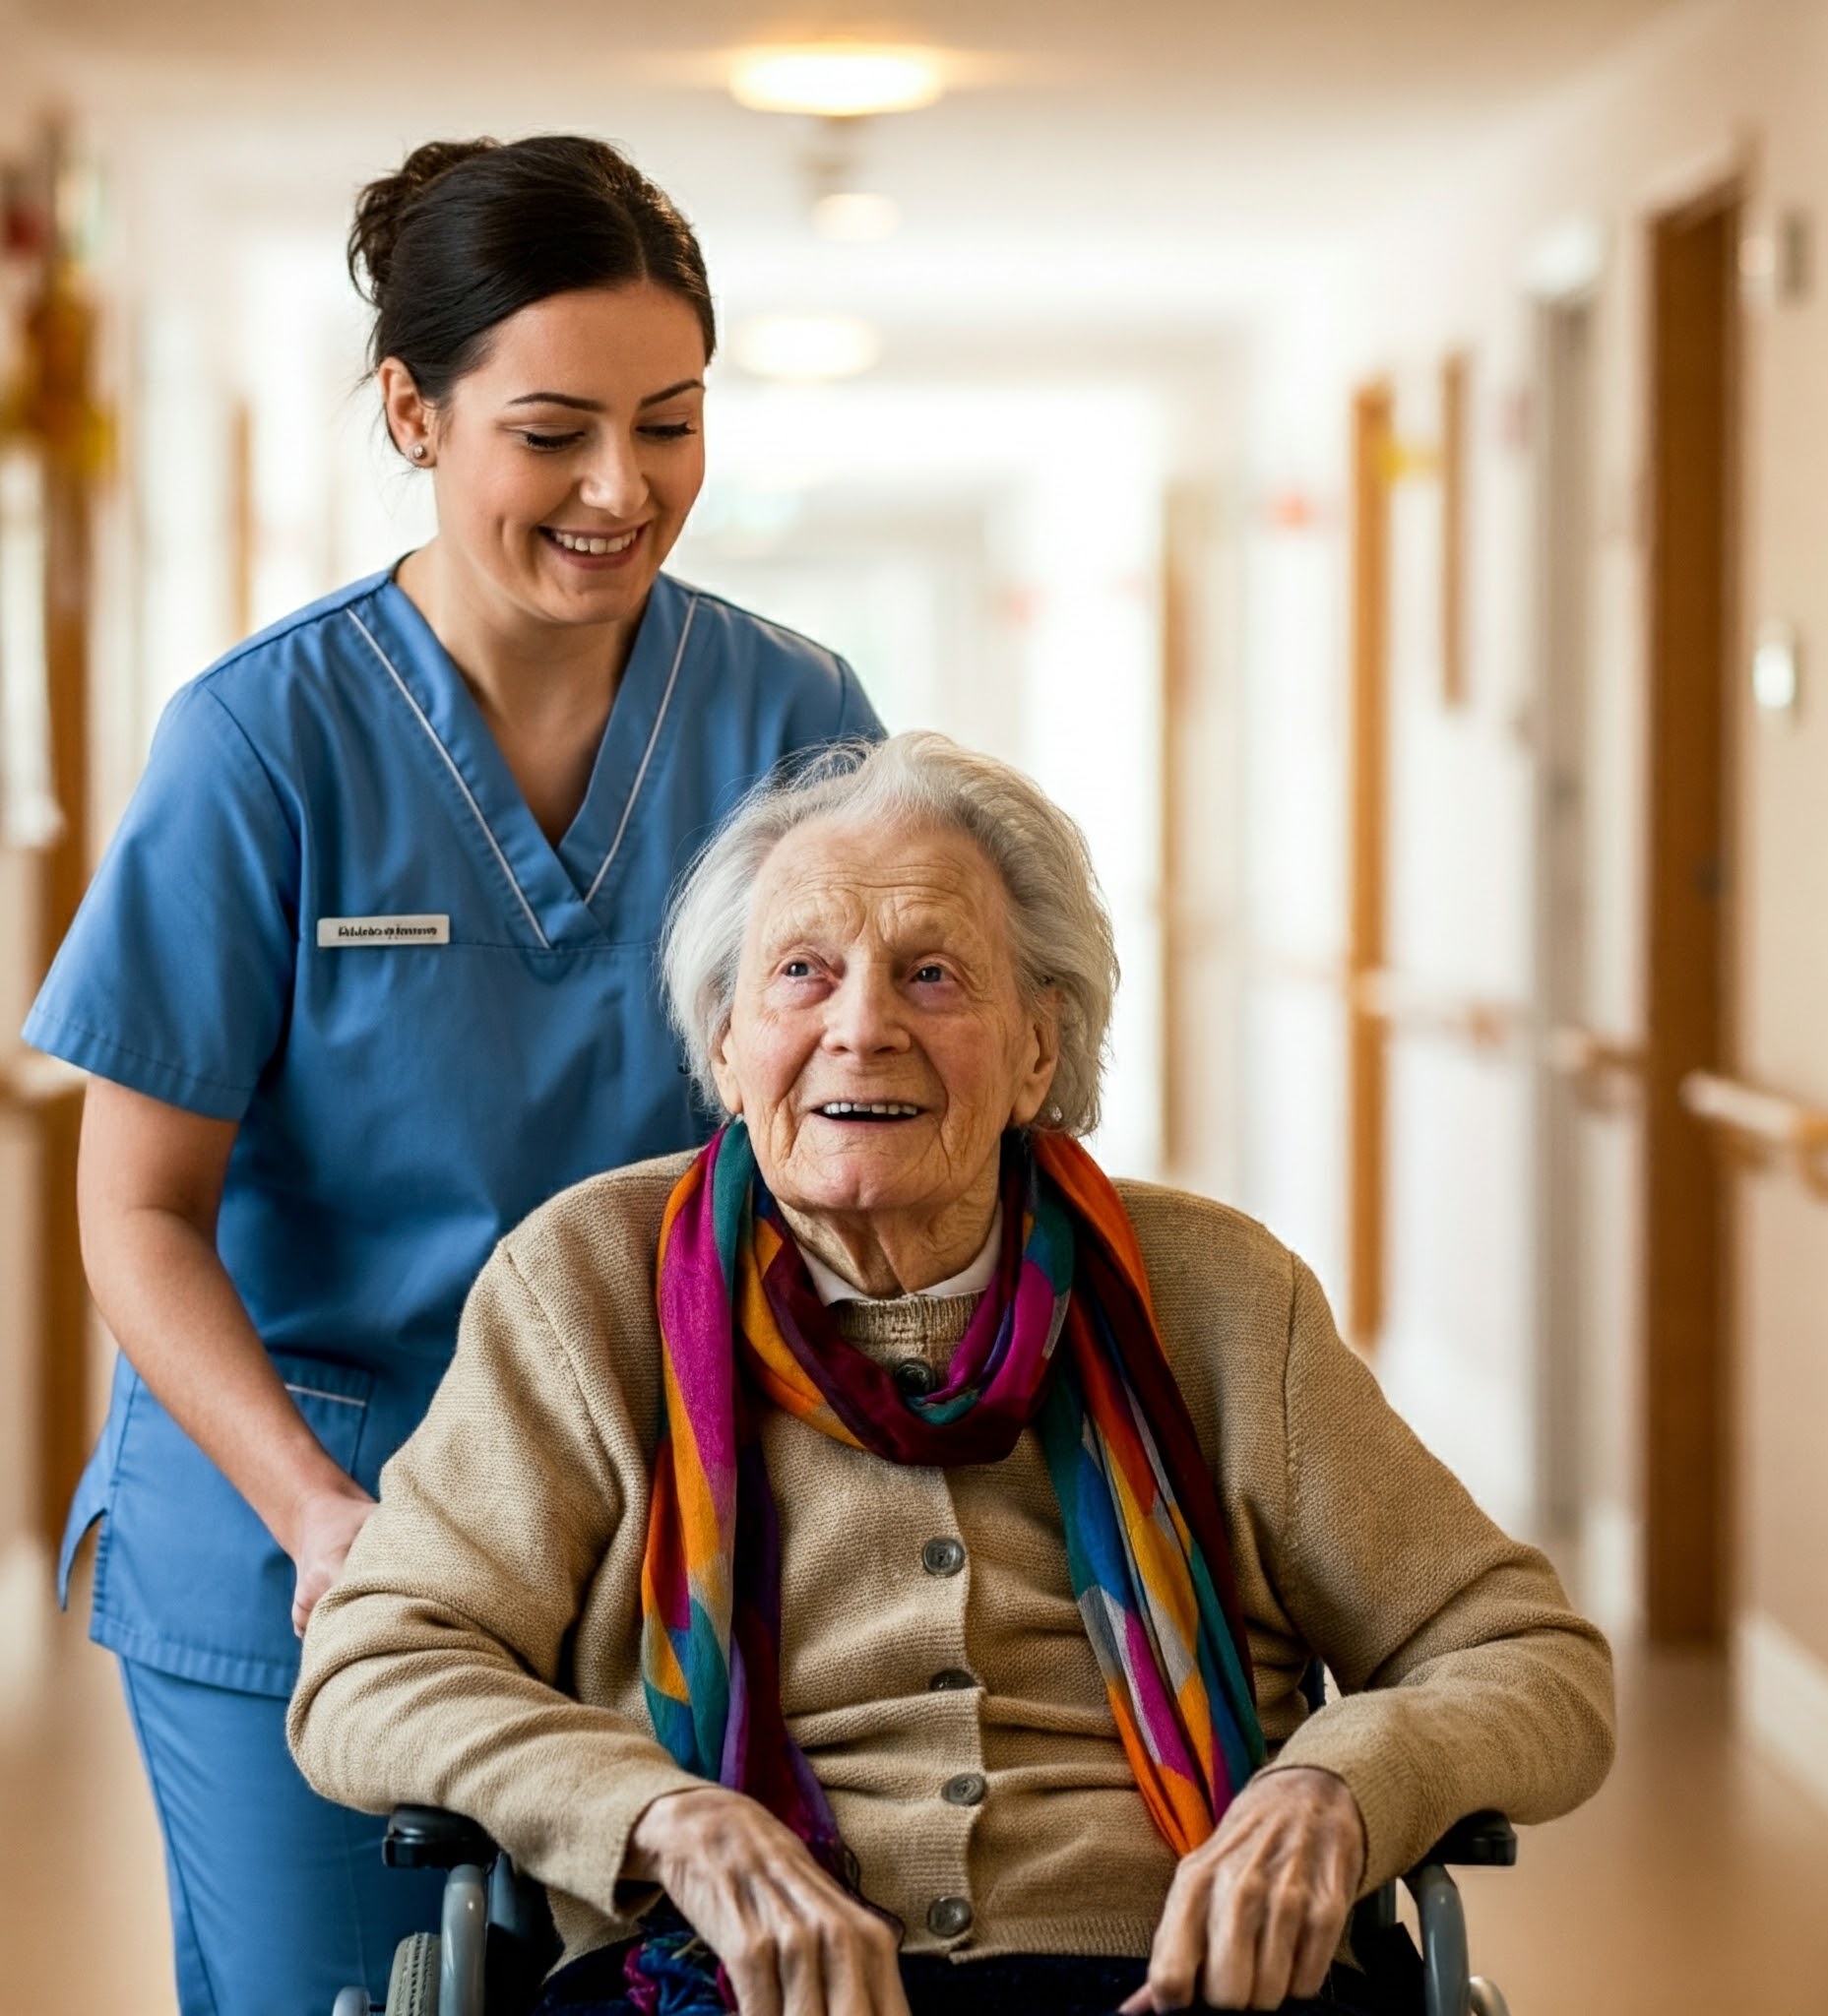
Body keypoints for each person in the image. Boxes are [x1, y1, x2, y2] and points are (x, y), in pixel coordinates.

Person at [289, 731, 1614, 2016]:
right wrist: (663, 1818)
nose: (861, 1029)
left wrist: (1339, 1787)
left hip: (1171, 1971)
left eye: (933, 975)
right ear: (728, 1046)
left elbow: (1524, 1659)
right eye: (803, 973)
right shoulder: (587, 1288)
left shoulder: (1216, 1300)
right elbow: (375, 1667)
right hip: (722, 1976)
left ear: (1042, 1048)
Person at [24, 134, 881, 2016]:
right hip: (314, 1517)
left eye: (670, 423)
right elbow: (135, 1207)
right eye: (554, 428)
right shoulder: (266, 742)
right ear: (412, 413)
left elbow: (852, 1120)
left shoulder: (794, 721)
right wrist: (322, 1517)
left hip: (661, 1519)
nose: (619, 488)